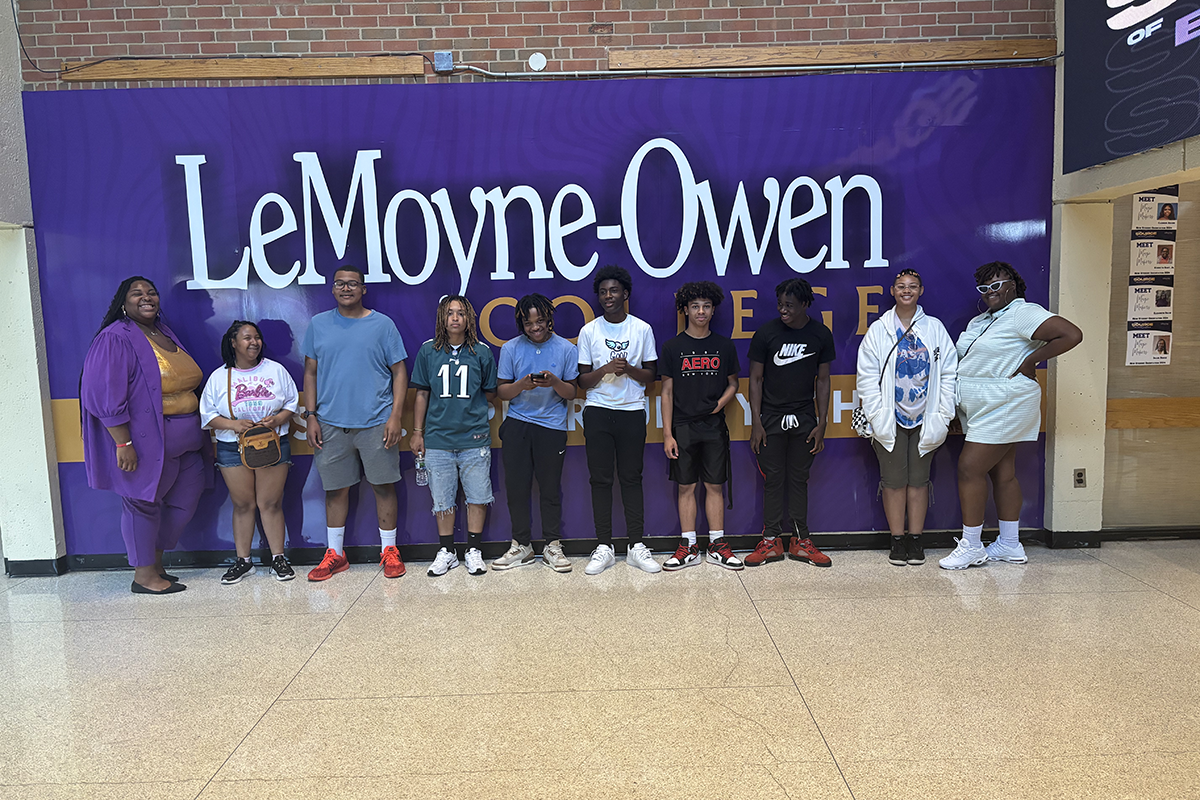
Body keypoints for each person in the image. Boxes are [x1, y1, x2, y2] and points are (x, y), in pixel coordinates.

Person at [940, 261, 1082, 569]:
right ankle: (1008, 543)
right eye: (984, 288)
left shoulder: (1023, 312)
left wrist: (1033, 360)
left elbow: (1071, 334)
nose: (991, 292)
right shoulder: (982, 320)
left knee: (969, 468)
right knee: (1002, 473)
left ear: (1012, 286)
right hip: (980, 407)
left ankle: (972, 545)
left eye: (997, 285)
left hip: (1005, 403)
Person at [80, 276, 207, 595]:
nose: (146, 297)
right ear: (123, 303)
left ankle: (156, 563)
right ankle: (144, 575)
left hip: (187, 440)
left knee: (184, 501)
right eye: (136, 293)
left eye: (151, 292)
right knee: (142, 504)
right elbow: (103, 393)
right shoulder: (115, 338)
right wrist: (123, 442)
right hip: (144, 441)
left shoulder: (164, 332)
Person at [301, 266, 409, 581]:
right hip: (330, 423)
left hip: (377, 421)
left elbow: (399, 372)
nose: (346, 288)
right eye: (340, 284)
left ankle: (389, 551)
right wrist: (311, 415)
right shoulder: (318, 325)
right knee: (335, 490)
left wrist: (395, 416)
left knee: (383, 486)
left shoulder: (383, 325)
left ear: (363, 289)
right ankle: (336, 553)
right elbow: (310, 372)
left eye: (353, 284)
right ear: (333, 290)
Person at [855, 269, 958, 567]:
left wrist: (944, 411)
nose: (907, 291)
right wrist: (876, 413)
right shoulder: (879, 329)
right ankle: (897, 540)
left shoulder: (935, 328)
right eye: (901, 286)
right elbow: (867, 376)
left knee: (919, 481)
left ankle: (916, 538)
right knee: (893, 481)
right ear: (893, 291)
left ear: (921, 291)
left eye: (913, 286)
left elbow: (949, 373)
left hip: (926, 417)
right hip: (890, 417)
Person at [200, 321, 299, 583]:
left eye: (257, 337)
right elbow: (208, 415)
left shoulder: (275, 370)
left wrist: (278, 420)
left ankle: (278, 557)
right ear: (233, 343)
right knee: (243, 504)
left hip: (271, 443)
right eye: (246, 338)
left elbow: (291, 402)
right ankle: (244, 561)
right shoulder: (219, 377)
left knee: (270, 503)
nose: (253, 342)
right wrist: (233, 425)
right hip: (233, 446)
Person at [746, 278, 835, 568]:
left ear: (805, 304)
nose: (783, 310)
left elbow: (823, 381)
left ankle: (800, 541)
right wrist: (756, 422)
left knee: (798, 479)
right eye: (780, 304)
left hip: (805, 418)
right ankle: (771, 541)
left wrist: (821, 423)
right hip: (769, 418)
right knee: (773, 479)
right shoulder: (766, 333)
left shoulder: (820, 334)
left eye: (790, 305)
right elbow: (755, 379)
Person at [576, 265, 660, 575]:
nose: (608, 296)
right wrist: (606, 369)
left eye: (613, 291)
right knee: (600, 480)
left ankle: (636, 546)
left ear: (625, 293)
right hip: (598, 411)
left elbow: (651, 376)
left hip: (631, 411)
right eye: (602, 292)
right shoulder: (589, 331)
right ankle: (604, 547)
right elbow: (582, 382)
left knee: (631, 477)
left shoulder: (641, 329)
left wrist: (630, 370)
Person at [410, 295, 498, 578]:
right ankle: (447, 551)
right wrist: (417, 432)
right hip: (438, 440)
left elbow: (490, 392)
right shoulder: (427, 352)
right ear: (442, 318)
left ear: (469, 318)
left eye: (461, 313)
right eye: (450, 313)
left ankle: (473, 549)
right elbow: (422, 393)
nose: (455, 318)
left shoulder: (481, 352)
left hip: (474, 439)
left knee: (477, 496)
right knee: (443, 499)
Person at [492, 294, 579, 573]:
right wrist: (521, 386)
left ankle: (553, 544)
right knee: (517, 489)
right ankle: (522, 545)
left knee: (550, 489)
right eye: (529, 323)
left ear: (549, 319)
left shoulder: (566, 348)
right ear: (521, 324)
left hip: (551, 427)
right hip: (517, 424)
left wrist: (554, 382)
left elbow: (572, 392)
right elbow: (502, 392)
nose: (535, 327)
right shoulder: (510, 348)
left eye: (540, 321)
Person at [660, 281, 743, 571]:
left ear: (713, 309)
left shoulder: (723, 345)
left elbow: (734, 383)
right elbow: (666, 392)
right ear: (685, 309)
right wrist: (667, 433)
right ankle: (689, 546)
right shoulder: (672, 347)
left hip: (713, 426)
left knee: (714, 485)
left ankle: (717, 544)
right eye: (695, 306)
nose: (701, 311)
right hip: (682, 427)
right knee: (686, 486)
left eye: (706, 306)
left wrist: (720, 404)